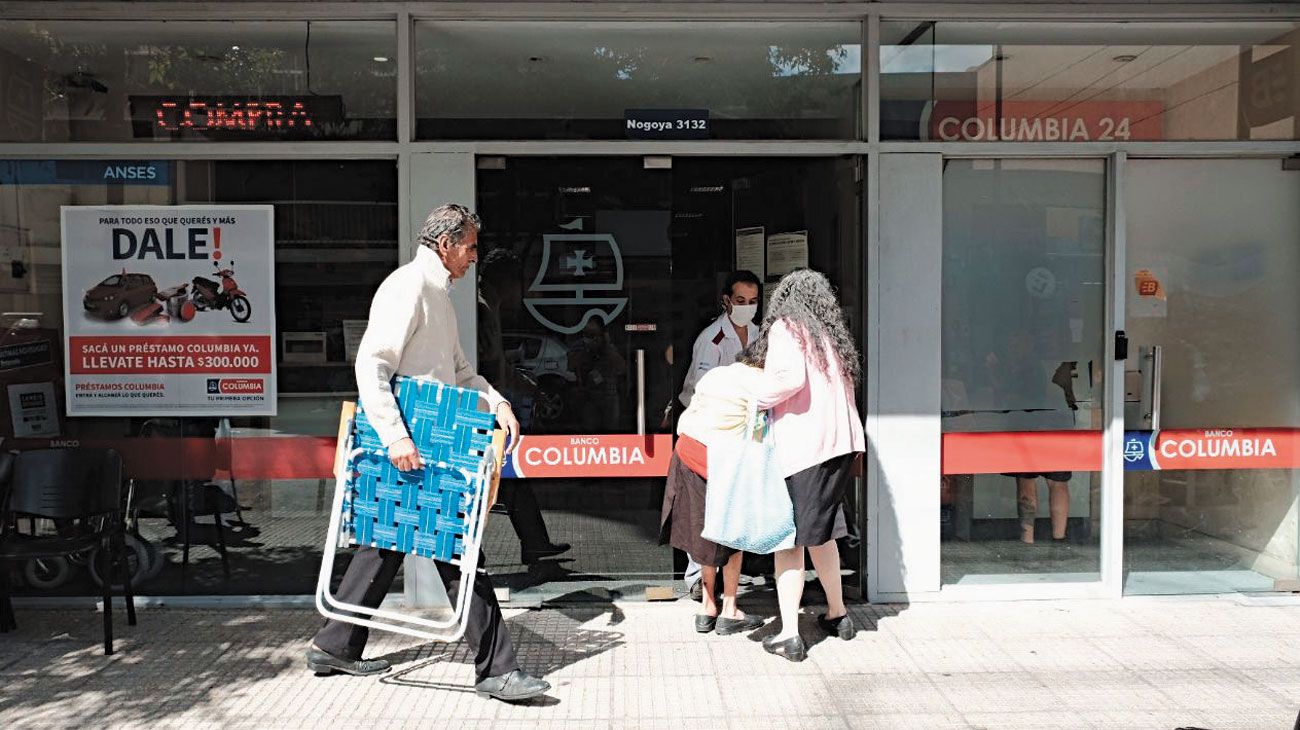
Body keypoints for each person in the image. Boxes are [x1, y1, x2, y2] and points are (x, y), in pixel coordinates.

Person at [307, 204, 550, 703]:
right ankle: (496, 670)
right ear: (446, 245)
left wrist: (495, 399)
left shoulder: (436, 293)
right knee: (459, 549)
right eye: (471, 247)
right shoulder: (408, 287)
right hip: (415, 440)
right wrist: (395, 437)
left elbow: (459, 371)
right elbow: (371, 365)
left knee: (387, 543)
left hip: (429, 439)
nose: (475, 258)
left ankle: (334, 645)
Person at [740, 269, 865, 662]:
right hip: (840, 446)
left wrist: (754, 396)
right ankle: (838, 614)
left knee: (789, 540)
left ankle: (790, 636)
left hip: (804, 449)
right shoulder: (831, 335)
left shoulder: (787, 328)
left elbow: (787, 379)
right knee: (823, 533)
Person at [476, 247, 571, 564]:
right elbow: (483, 366)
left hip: (490, 403)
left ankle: (535, 542)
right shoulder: (480, 310)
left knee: (512, 478)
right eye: (519, 282)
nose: (523, 291)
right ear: (506, 281)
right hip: (483, 409)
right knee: (494, 480)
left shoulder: (487, 307)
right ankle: (476, 549)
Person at [660, 361, 768, 636]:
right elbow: (759, 434)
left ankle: (707, 607)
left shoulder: (717, 374)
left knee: (703, 530)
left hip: (687, 451)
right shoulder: (762, 384)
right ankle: (730, 610)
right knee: (733, 533)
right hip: (721, 459)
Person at [677, 270, 761, 599]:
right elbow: (702, 388)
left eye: (753, 302)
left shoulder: (758, 335)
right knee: (703, 507)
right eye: (740, 301)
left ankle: (727, 582)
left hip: (742, 432)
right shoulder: (711, 339)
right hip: (708, 431)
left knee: (733, 507)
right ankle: (699, 577)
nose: (747, 307)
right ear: (727, 300)